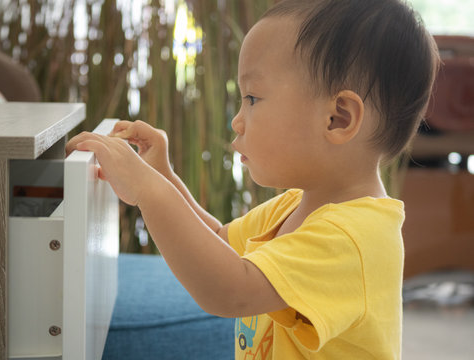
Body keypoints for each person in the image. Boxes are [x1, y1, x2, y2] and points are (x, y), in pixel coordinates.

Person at [66, 0, 439, 358]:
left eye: (253, 98)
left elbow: (231, 291)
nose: (237, 120)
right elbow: (218, 242)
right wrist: (162, 175)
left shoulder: (353, 238)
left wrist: (149, 190)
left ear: (338, 118)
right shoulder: (298, 204)